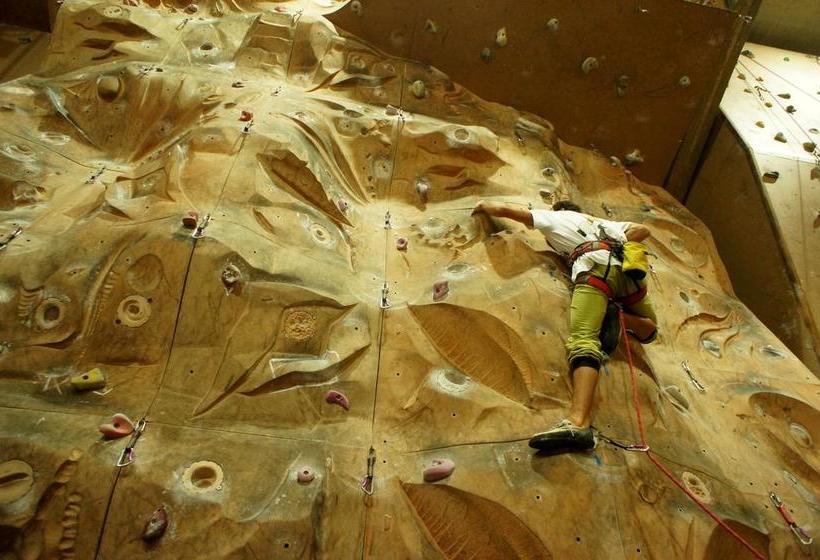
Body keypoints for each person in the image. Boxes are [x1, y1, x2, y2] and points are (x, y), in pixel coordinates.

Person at [472, 199, 658, 452]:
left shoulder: (556, 218)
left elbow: (509, 211)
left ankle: (578, 423)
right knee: (650, 329)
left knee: (583, 339)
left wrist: (485, 204)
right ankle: (624, 319)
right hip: (630, 276)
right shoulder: (603, 222)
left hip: (595, 271)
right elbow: (642, 229)